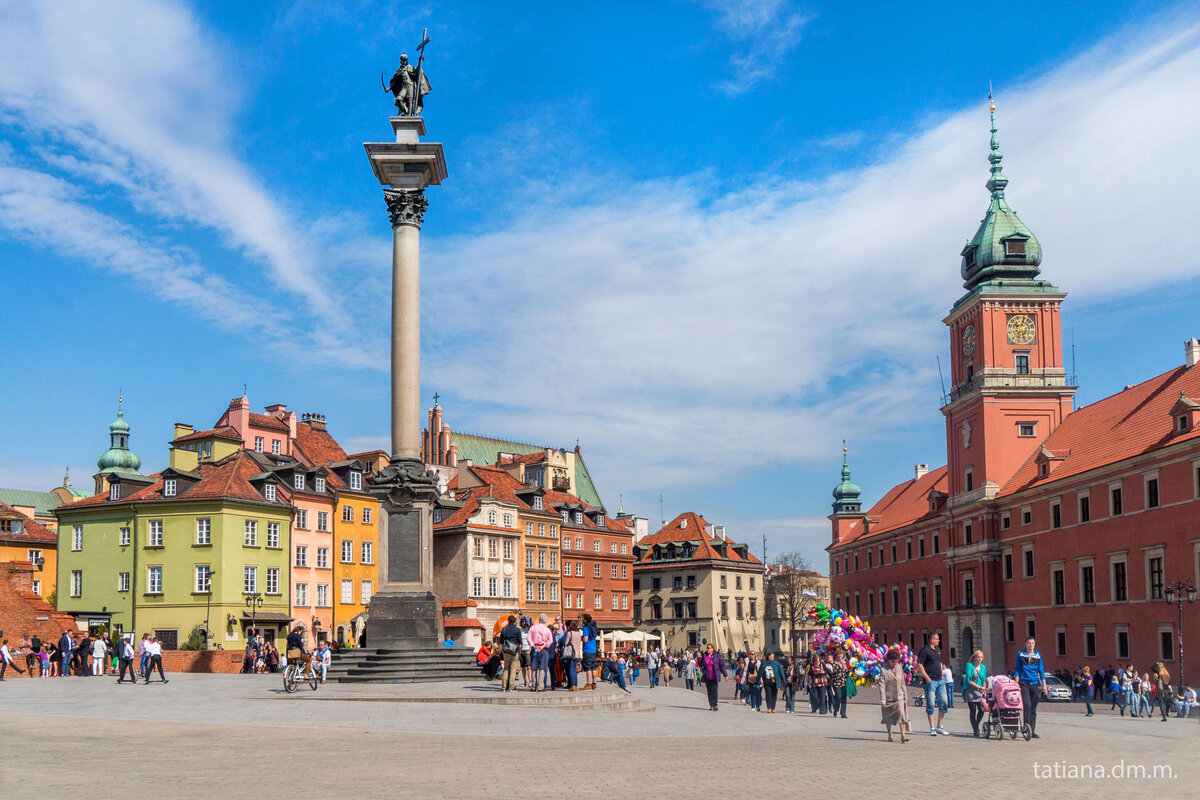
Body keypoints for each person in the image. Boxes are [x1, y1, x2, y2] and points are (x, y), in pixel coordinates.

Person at [1014, 636, 1047, 738]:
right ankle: (1026, 728)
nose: (1031, 645)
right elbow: (1017, 670)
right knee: (1027, 705)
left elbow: (1041, 671)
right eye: (1029, 643)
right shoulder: (1020, 654)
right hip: (1024, 683)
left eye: (1032, 643)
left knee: (1033, 707)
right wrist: (1016, 683)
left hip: (1034, 683)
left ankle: (1032, 731)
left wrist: (1044, 686)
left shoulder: (1038, 655)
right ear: (1025, 644)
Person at [916, 632, 948, 736]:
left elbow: (939, 663)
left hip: (940, 681)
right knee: (930, 704)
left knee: (944, 702)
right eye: (937, 639)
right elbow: (919, 664)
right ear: (932, 640)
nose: (939, 641)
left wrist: (942, 674)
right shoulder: (925, 650)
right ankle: (932, 728)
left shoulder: (937, 650)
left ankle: (940, 726)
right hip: (931, 682)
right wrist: (927, 678)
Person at [879, 648, 909, 742]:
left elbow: (902, 682)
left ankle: (903, 735)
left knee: (901, 714)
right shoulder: (883, 670)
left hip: (899, 697)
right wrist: (883, 699)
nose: (895, 663)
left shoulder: (899, 668)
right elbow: (881, 685)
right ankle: (890, 734)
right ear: (888, 660)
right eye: (893, 661)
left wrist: (905, 695)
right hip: (888, 697)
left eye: (897, 661)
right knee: (888, 717)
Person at [963, 650, 988, 736]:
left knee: (981, 709)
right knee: (973, 710)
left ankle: (976, 725)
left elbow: (984, 679)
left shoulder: (983, 667)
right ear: (974, 657)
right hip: (970, 690)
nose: (979, 659)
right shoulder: (969, 666)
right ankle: (976, 730)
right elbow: (968, 680)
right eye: (978, 657)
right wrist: (978, 687)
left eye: (981, 657)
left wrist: (984, 688)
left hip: (979, 691)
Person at [528, 614, 554, 692]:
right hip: (544, 649)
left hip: (534, 649)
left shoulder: (533, 628)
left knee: (534, 667)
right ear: (545, 620)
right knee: (542, 668)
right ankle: (540, 686)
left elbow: (528, 637)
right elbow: (550, 641)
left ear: (539, 619)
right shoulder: (547, 630)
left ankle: (533, 685)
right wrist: (544, 646)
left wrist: (533, 645)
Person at [498, 615, 523, 692]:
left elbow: (501, 642)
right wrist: (519, 651)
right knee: (513, 670)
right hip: (514, 651)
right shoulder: (517, 630)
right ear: (514, 621)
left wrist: (502, 651)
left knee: (505, 669)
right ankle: (511, 687)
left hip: (506, 651)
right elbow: (520, 643)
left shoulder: (504, 629)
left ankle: (504, 687)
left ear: (508, 621)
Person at [699, 643, 726, 711]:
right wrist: (699, 658)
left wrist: (726, 675)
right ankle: (711, 705)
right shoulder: (704, 656)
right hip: (708, 676)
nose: (708, 649)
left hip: (715, 676)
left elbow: (722, 665)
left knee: (715, 690)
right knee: (709, 691)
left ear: (713, 649)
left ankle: (715, 705)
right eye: (707, 648)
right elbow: (700, 664)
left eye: (710, 648)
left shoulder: (716, 656)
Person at [580, 614, 598, 690]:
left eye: (582, 620)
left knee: (588, 668)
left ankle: (589, 684)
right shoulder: (593, 626)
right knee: (593, 668)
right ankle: (594, 683)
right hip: (594, 650)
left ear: (585, 620)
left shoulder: (586, 628)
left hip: (587, 650)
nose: (581, 621)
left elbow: (585, 639)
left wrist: (581, 638)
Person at [563, 620, 582, 691]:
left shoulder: (569, 633)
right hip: (577, 653)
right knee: (575, 670)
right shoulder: (579, 633)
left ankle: (573, 685)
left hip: (571, 654)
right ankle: (576, 686)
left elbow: (566, 643)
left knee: (571, 670)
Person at [828, 652, 849, 718]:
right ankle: (836, 709)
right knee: (838, 696)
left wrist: (847, 669)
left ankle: (843, 713)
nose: (840, 655)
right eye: (839, 654)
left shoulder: (845, 663)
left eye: (841, 654)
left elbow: (847, 672)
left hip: (844, 682)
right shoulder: (834, 663)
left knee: (844, 698)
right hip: (836, 682)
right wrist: (839, 665)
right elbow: (832, 672)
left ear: (843, 655)